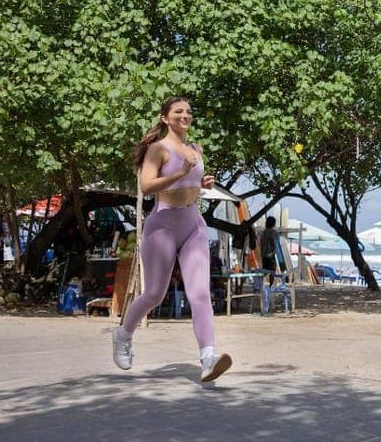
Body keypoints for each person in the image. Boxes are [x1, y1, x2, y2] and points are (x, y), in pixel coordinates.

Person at [112, 96, 232, 382]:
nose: (185, 115)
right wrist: (182, 172)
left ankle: (208, 358)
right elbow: (147, 185)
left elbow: (188, 184)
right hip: (163, 225)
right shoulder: (158, 149)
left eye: (188, 111)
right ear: (165, 118)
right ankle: (123, 335)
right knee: (154, 294)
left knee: (200, 293)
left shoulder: (195, 150)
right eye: (178, 111)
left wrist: (200, 183)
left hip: (193, 224)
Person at [260, 216, 279, 282]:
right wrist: (273, 252)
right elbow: (274, 243)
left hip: (264, 255)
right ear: (273, 223)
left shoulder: (263, 232)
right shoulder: (273, 232)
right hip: (270, 255)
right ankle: (271, 285)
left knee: (264, 271)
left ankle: (262, 284)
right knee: (272, 271)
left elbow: (261, 243)